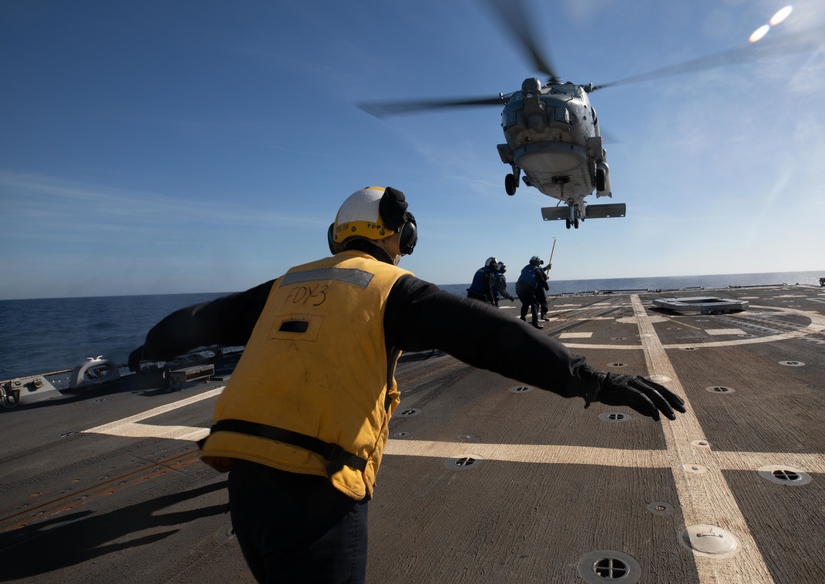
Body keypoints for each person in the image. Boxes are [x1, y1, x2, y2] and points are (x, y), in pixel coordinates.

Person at [127, 186, 685, 584]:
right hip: (317, 486)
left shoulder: (286, 284)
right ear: (401, 234)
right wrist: (591, 380)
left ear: (337, 235)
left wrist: (148, 349)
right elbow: (492, 335)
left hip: (242, 479)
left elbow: (196, 321)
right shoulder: (391, 287)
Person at [515, 255, 548, 328]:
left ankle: (522, 319)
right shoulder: (537, 269)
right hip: (527, 287)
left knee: (525, 303)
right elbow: (541, 279)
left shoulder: (525, 268)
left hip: (518, 287)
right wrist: (546, 286)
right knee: (535, 304)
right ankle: (535, 323)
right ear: (537, 262)